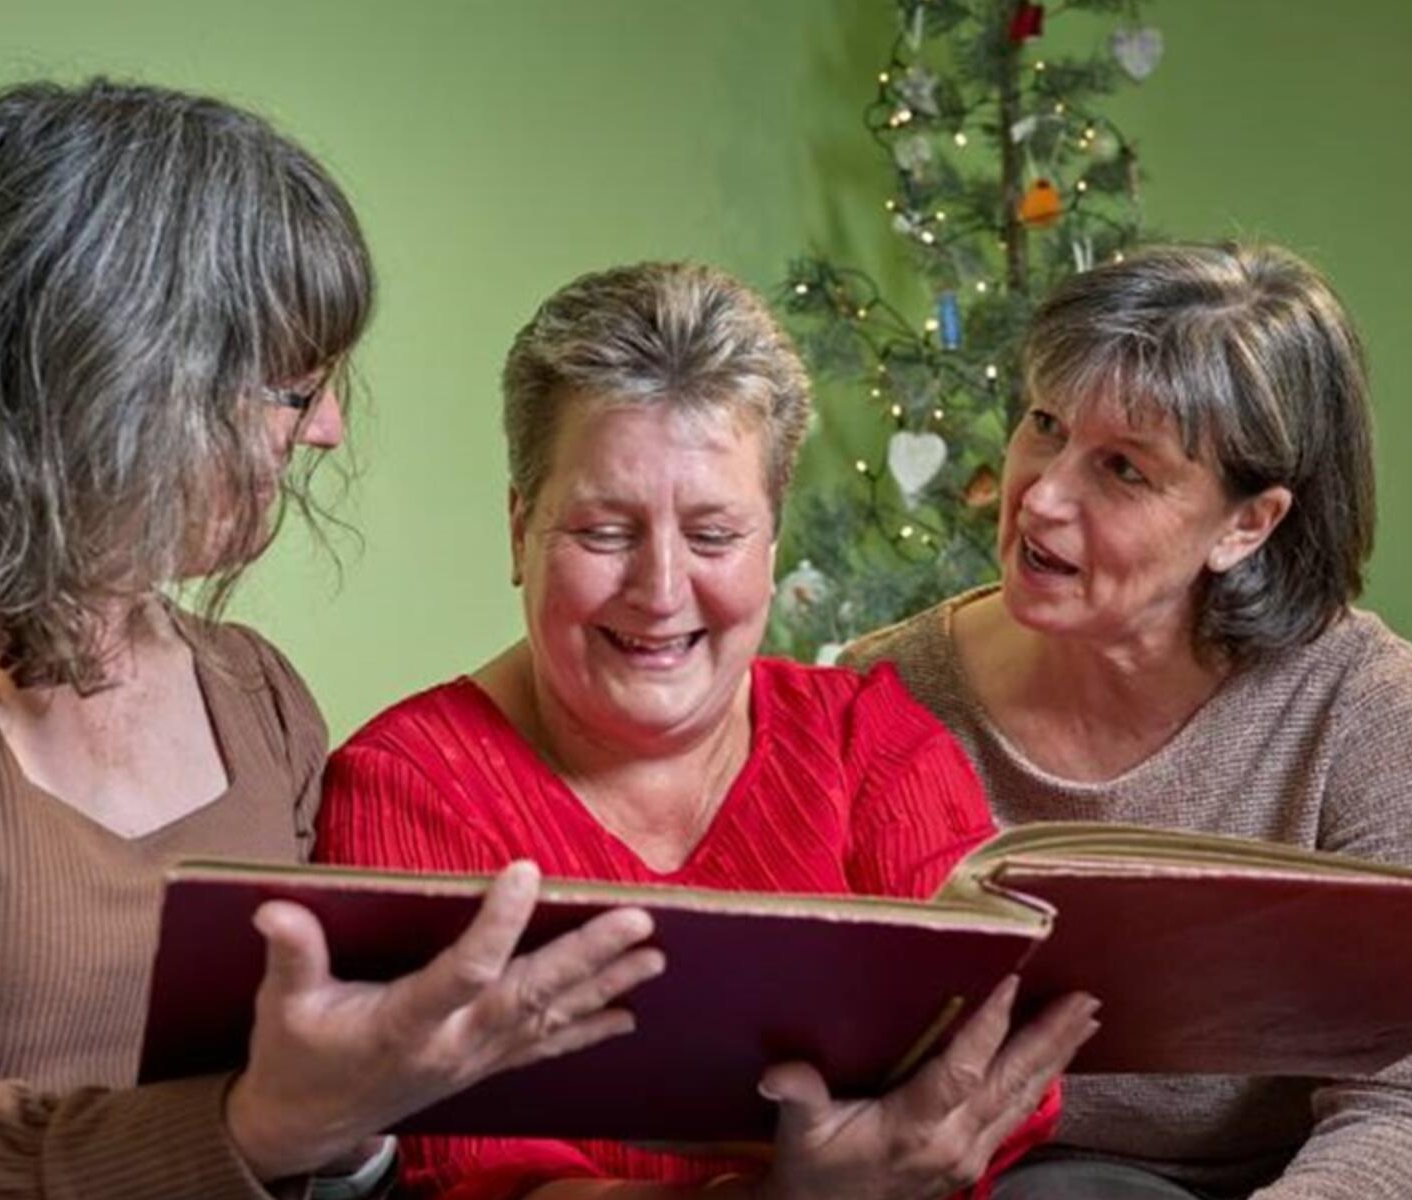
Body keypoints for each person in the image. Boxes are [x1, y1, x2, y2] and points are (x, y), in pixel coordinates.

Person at [0, 79, 664, 1200]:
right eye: (291, 386)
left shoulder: (259, 698)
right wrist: (254, 1129)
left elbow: (325, 1127)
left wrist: (360, 1124)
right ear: (106, 373)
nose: (330, 429)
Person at [317, 261, 1101, 1200]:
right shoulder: (405, 785)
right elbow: (474, 1171)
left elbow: (1009, 1070)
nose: (660, 591)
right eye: (605, 531)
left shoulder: (870, 742)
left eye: (715, 535)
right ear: (519, 529)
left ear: (771, 547)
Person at [840, 243, 1412, 1200]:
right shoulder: (882, 692)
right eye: (1045, 425)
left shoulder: (1365, 707)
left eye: (1122, 469)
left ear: (1246, 525)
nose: (1040, 496)